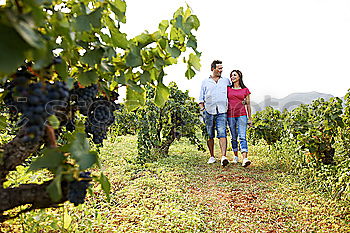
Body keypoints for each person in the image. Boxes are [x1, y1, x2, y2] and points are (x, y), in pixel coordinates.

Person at [199, 60, 231, 167]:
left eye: (222, 68)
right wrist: (203, 110)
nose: (221, 70)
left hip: (222, 111)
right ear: (213, 69)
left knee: (222, 133)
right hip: (208, 111)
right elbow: (200, 98)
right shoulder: (205, 82)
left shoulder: (226, 81)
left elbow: (232, 92)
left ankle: (223, 157)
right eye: (219, 68)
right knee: (210, 134)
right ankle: (212, 156)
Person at [227, 70, 252, 167]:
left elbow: (248, 105)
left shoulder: (245, 90)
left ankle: (245, 158)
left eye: (234, 75)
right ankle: (235, 156)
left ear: (239, 77)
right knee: (234, 137)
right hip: (230, 115)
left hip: (242, 115)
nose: (232, 77)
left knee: (242, 136)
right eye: (231, 76)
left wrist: (250, 119)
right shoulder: (228, 89)